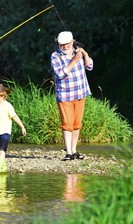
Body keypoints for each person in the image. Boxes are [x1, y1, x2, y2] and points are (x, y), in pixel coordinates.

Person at [50, 31, 93, 161]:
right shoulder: (55, 56)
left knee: (76, 124)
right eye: (61, 44)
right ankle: (68, 152)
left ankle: (74, 151)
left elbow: (90, 66)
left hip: (80, 93)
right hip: (65, 95)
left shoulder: (78, 52)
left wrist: (84, 54)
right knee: (67, 124)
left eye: (67, 44)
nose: (64, 46)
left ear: (72, 41)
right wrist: (74, 60)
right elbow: (60, 74)